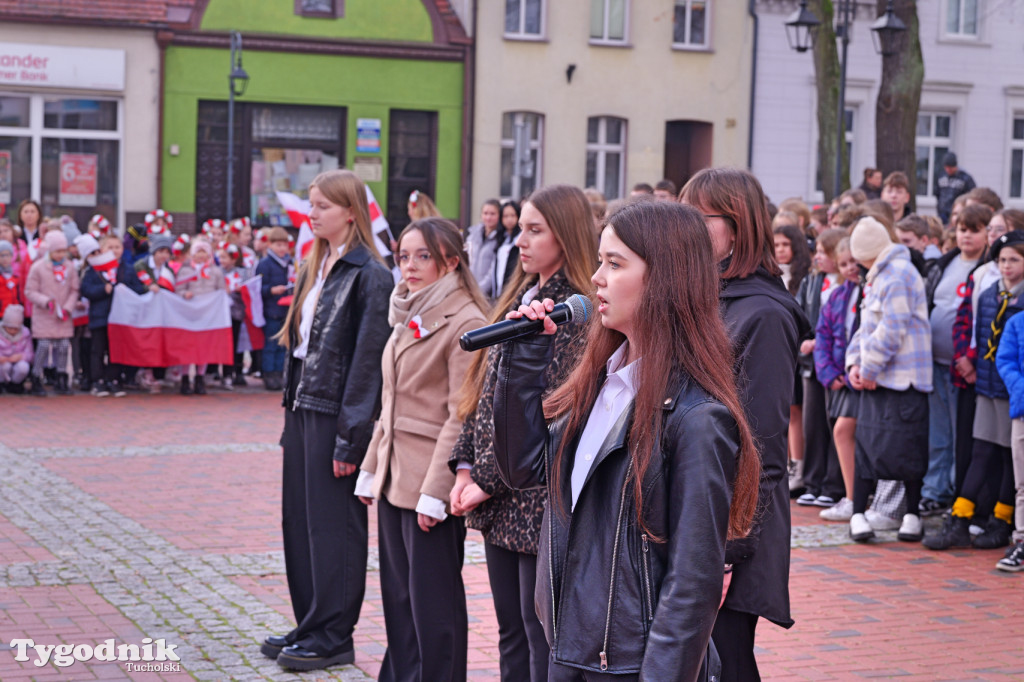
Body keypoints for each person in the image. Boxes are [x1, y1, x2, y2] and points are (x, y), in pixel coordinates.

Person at [491, 200, 760, 681]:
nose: (596, 277)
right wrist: (524, 360)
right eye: (599, 260)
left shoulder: (698, 417)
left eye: (615, 263)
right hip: (569, 647)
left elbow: (694, 582)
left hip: (633, 665)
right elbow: (522, 467)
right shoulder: (601, 384)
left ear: (665, 279)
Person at [448, 184, 598, 682]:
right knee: (509, 630)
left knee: (540, 636)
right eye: (520, 229)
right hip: (497, 493)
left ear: (567, 235)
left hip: (535, 494)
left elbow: (549, 405)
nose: (520, 241)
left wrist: (484, 481)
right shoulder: (521, 295)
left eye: (535, 230)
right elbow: (484, 392)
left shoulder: (571, 310)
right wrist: (464, 465)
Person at [262, 169, 393, 672]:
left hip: (335, 414)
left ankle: (335, 634)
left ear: (350, 212)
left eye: (321, 206)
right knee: (299, 521)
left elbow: (366, 364)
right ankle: (311, 621)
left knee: (333, 526)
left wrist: (350, 439)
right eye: (311, 205)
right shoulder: (317, 264)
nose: (311, 213)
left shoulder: (370, 275)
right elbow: (301, 349)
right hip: (303, 408)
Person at [681, 167, 807, 682]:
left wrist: (729, 552)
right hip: (699, 518)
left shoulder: (764, 314)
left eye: (697, 218)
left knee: (726, 661)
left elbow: (765, 448)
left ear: (737, 226)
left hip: (733, 530)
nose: (685, 229)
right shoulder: (710, 297)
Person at [355, 217, 487, 681]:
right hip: (395, 476)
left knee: (434, 608)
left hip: (429, 483)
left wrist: (437, 491)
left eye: (422, 256)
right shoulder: (410, 310)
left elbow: (460, 415)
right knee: (399, 599)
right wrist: (372, 468)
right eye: (403, 255)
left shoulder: (465, 320)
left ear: (450, 260)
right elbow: (392, 402)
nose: (409, 266)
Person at [925, 232, 1024, 551]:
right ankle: (960, 518)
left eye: (1014, 260)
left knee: (1010, 457)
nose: (1006, 266)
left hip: (1014, 390)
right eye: (1002, 260)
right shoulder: (991, 294)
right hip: (988, 386)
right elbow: (983, 341)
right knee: (981, 450)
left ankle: (1002, 519)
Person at [845, 217, 932, 543]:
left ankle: (912, 514)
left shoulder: (898, 274)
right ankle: (858, 514)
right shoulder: (878, 275)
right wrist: (855, 363)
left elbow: (892, 329)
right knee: (867, 448)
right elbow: (865, 327)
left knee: (909, 447)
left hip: (904, 379)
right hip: (879, 378)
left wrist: (867, 370)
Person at [919, 206, 988, 516]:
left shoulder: (987, 269)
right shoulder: (944, 265)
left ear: (987, 234)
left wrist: (967, 356)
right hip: (935, 361)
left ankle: (956, 489)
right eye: (962, 229)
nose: (967, 235)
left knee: (961, 435)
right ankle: (935, 488)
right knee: (939, 432)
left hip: (966, 368)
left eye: (974, 230)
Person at [794, 228, 846, 509]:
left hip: (835, 365)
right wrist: (805, 341)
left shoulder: (845, 283)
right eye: (819, 252)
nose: (819, 257)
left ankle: (834, 484)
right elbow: (800, 315)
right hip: (811, 365)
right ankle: (813, 482)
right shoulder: (813, 281)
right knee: (812, 424)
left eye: (825, 252)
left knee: (834, 423)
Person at [814, 237, 862, 521]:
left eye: (853, 262)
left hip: (861, 375)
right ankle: (852, 495)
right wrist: (829, 372)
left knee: (846, 431)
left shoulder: (869, 292)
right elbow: (824, 334)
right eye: (843, 264)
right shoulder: (837, 295)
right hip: (841, 378)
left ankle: (856, 497)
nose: (849, 268)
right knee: (842, 432)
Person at [80, 235, 145, 397]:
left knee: (115, 350)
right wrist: (103, 290)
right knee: (98, 350)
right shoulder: (94, 269)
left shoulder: (128, 269)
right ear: (102, 250)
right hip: (100, 317)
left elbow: (138, 289)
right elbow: (85, 289)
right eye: (110, 247)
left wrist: (126, 290)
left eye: (118, 247)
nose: (114, 250)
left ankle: (113, 379)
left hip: (120, 319)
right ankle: (98, 380)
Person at [24, 230, 80, 397]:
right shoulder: (38, 267)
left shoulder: (69, 267)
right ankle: (36, 376)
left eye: (63, 251)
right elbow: (30, 290)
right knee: (43, 346)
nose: (60, 254)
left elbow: (74, 289)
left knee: (63, 346)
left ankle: (61, 376)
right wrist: (45, 301)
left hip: (63, 315)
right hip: (45, 314)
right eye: (57, 251)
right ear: (49, 250)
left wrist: (68, 307)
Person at [995, 284, 1024, 570]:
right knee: (1022, 482)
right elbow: (1005, 362)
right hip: (1022, 410)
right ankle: (1022, 540)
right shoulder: (1016, 323)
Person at [175, 240, 226, 396]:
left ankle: (199, 378)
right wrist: (185, 294)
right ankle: (185, 378)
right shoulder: (185, 271)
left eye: (204, 252)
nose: (201, 255)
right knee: (188, 346)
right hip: (190, 314)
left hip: (208, 316)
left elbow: (221, 290)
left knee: (203, 347)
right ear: (192, 254)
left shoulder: (215, 271)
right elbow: (178, 289)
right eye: (198, 252)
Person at [257, 227, 293, 390]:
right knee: (271, 343)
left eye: (284, 245)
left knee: (282, 344)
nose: (282, 248)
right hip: (271, 309)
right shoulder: (265, 264)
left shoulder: (290, 263)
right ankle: (269, 374)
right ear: (270, 245)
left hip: (286, 310)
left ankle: (279, 372)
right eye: (278, 245)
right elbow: (257, 288)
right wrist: (271, 290)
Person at [466, 199, 503, 299]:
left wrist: (479, 291)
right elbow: (467, 260)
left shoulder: (501, 239)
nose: (488, 217)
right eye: (485, 213)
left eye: (492, 214)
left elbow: (493, 272)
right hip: (470, 289)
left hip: (487, 295)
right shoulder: (473, 235)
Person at [935, 152, 976, 225]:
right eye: (946, 167)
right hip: (943, 214)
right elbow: (937, 194)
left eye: (950, 168)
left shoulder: (965, 178)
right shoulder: (941, 176)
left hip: (958, 214)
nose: (948, 170)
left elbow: (972, 196)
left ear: (955, 166)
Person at [0, 304, 32, 393]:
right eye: (9, 328)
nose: (12, 331)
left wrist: (21, 356)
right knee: (5, 366)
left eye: (16, 329)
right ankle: (2, 383)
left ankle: (15, 384)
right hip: (3, 363)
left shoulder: (25, 333)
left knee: (23, 367)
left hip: (17, 362)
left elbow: (30, 353)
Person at [494, 200, 521, 299]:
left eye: (512, 215)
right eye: (505, 216)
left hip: (514, 292)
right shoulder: (501, 239)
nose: (509, 219)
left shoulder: (520, 241)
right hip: (500, 292)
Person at [0, 239, 22, 317]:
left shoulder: (14, 276)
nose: (5, 258)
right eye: (2, 255)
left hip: (12, 315)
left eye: (8, 255)